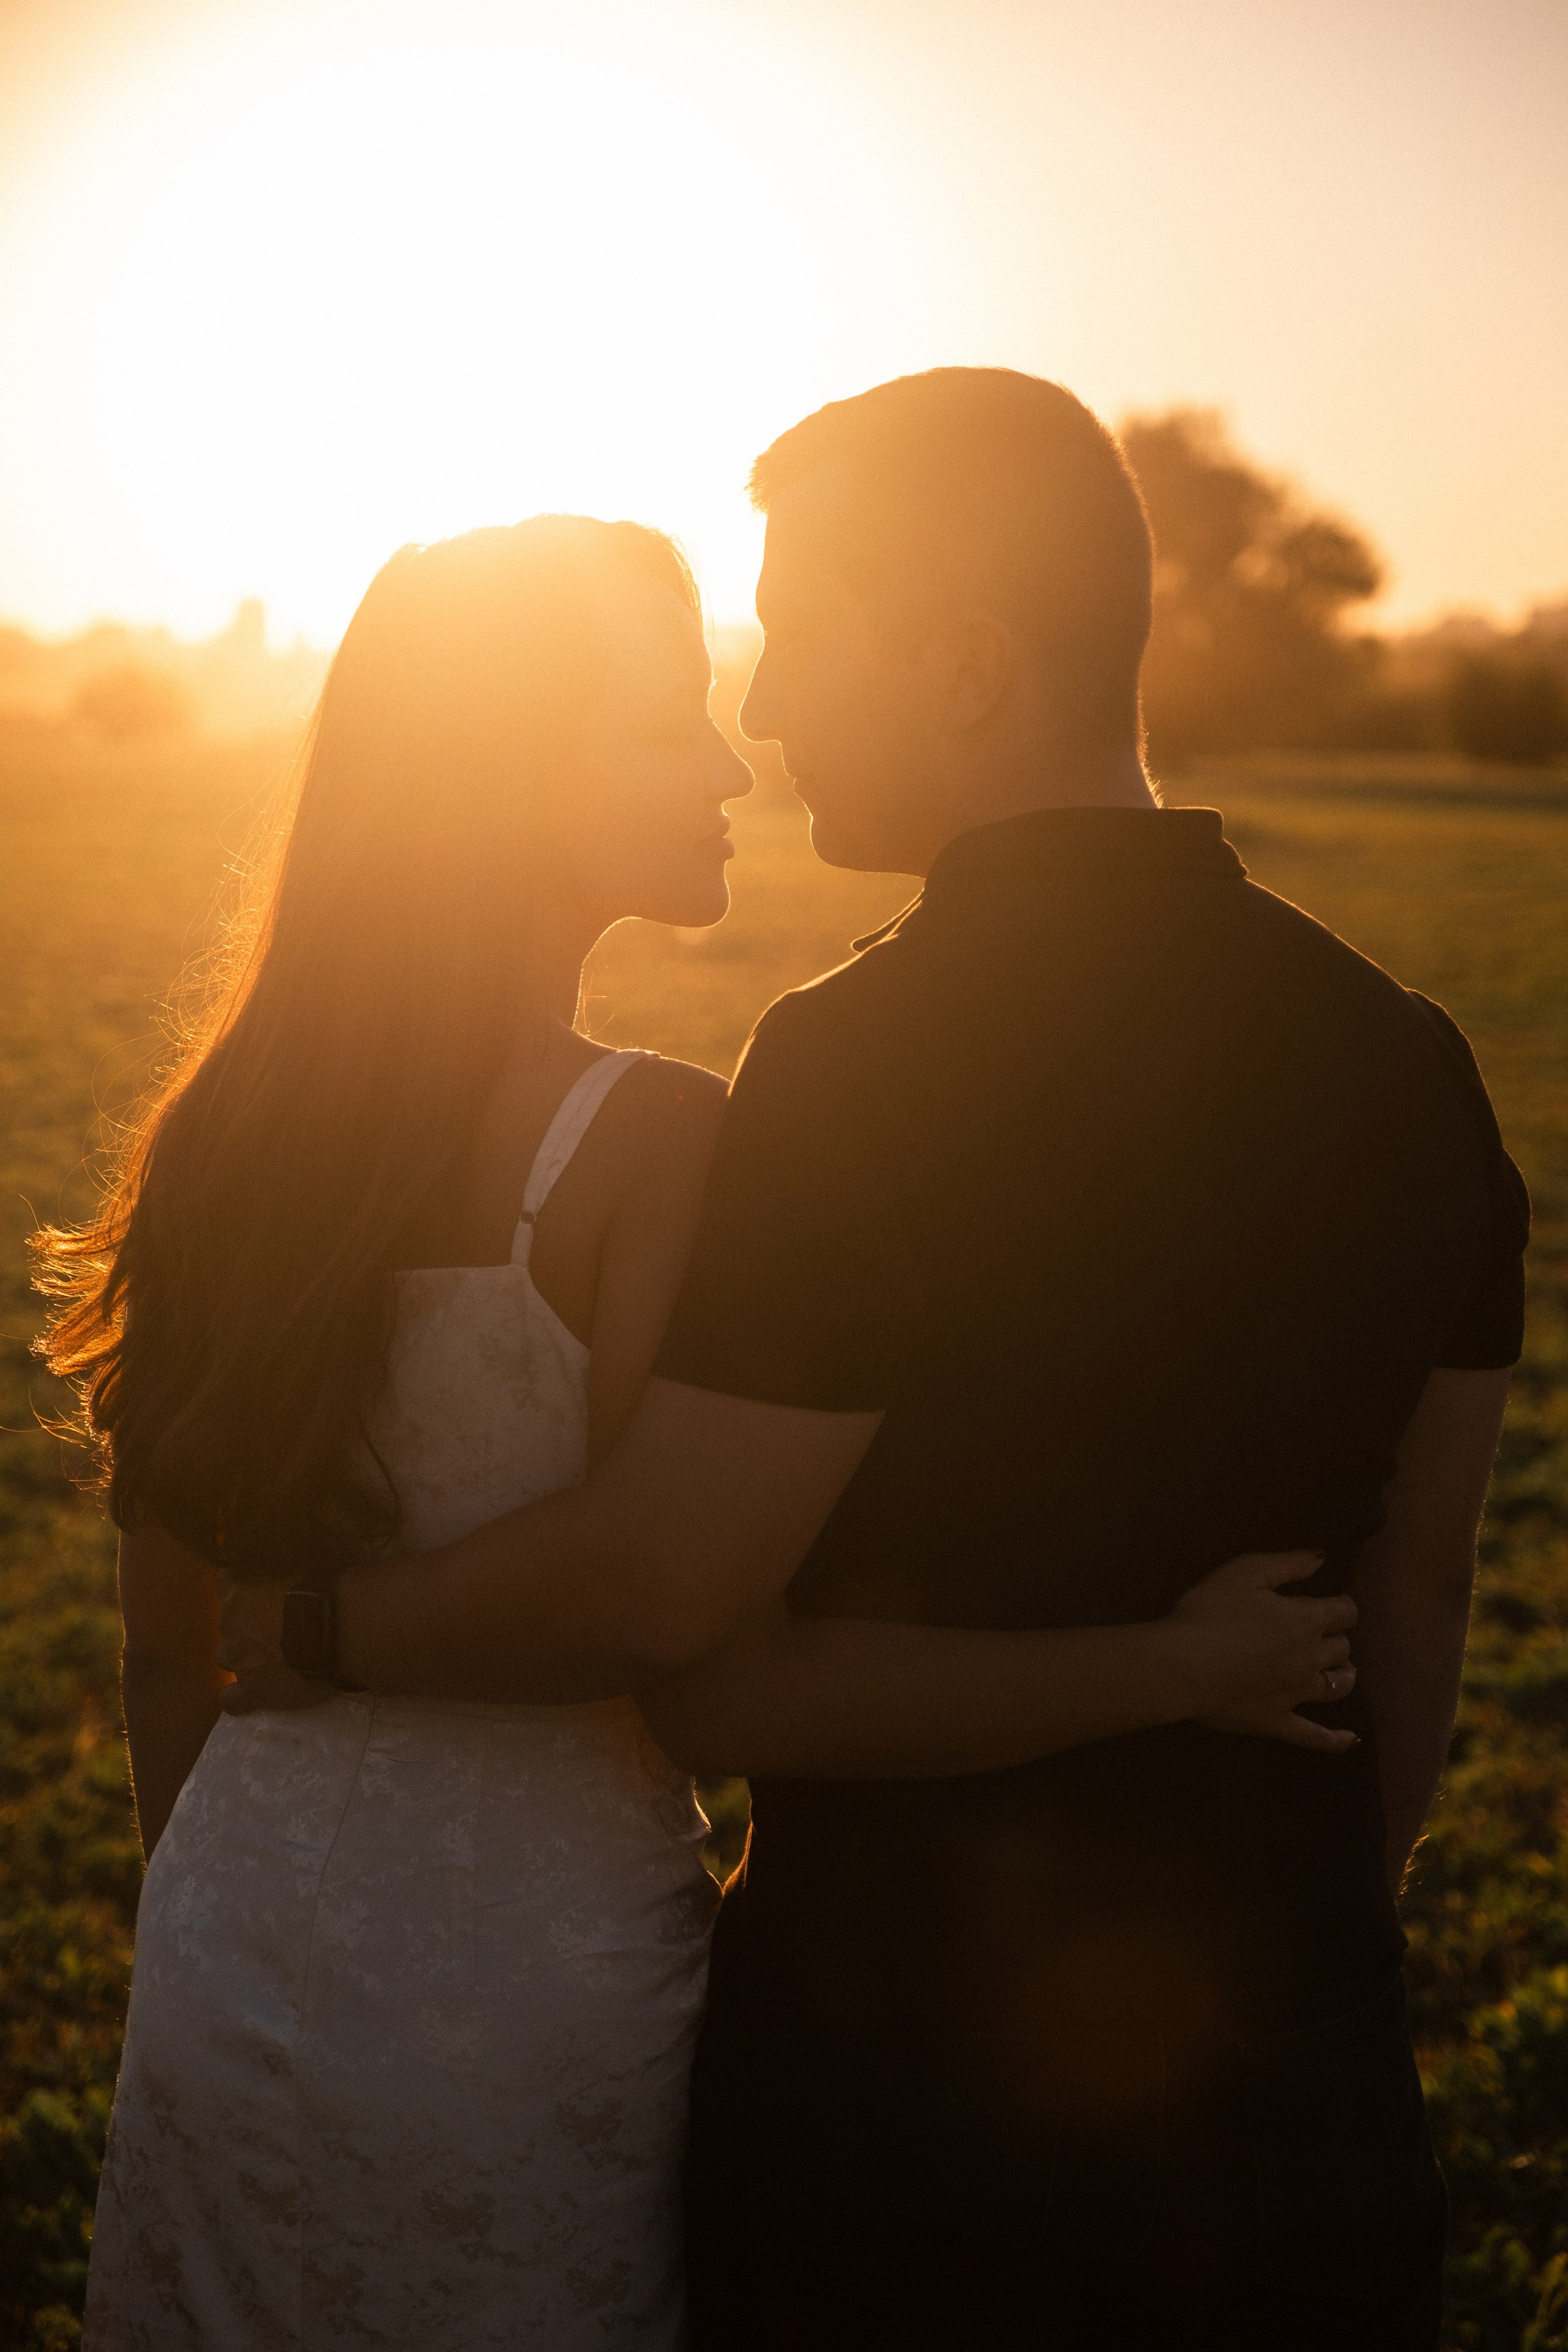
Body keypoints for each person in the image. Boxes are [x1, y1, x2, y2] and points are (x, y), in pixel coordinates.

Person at [217, 371, 1528, 2351]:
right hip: (1298, 2104)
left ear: (970, 665)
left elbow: (717, 1663)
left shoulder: (851, 1073)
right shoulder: (1422, 1067)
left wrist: (313, 1634)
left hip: (902, 2107)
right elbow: (1414, 1608)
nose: (765, 711)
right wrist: (1290, 1909)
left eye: (802, 639)